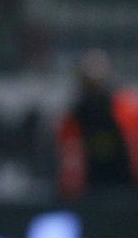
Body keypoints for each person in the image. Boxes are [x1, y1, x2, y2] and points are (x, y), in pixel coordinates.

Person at [56, 49, 138, 199]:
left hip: (125, 185)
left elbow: (133, 144)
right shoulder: (75, 114)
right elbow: (69, 155)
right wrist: (71, 189)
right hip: (90, 187)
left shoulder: (123, 107)